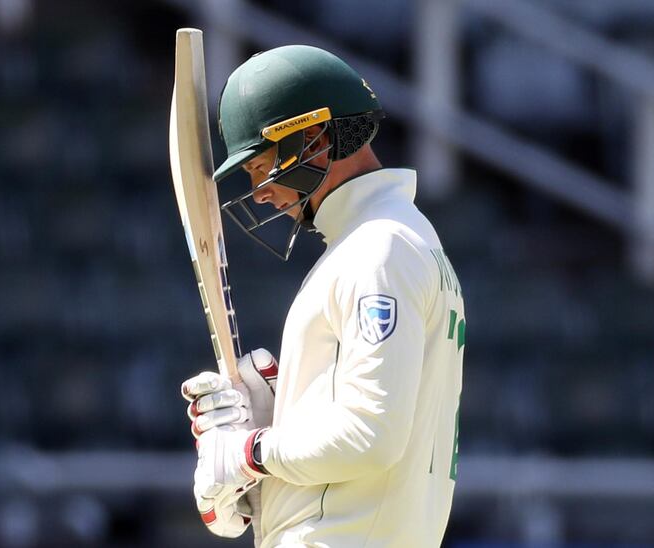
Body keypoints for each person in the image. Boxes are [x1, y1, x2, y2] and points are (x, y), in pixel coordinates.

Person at [180, 44, 466, 548]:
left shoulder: (379, 250)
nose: (260, 191)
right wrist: (278, 423)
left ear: (311, 140)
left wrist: (249, 451)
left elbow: (369, 437)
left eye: (260, 165)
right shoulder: (394, 241)